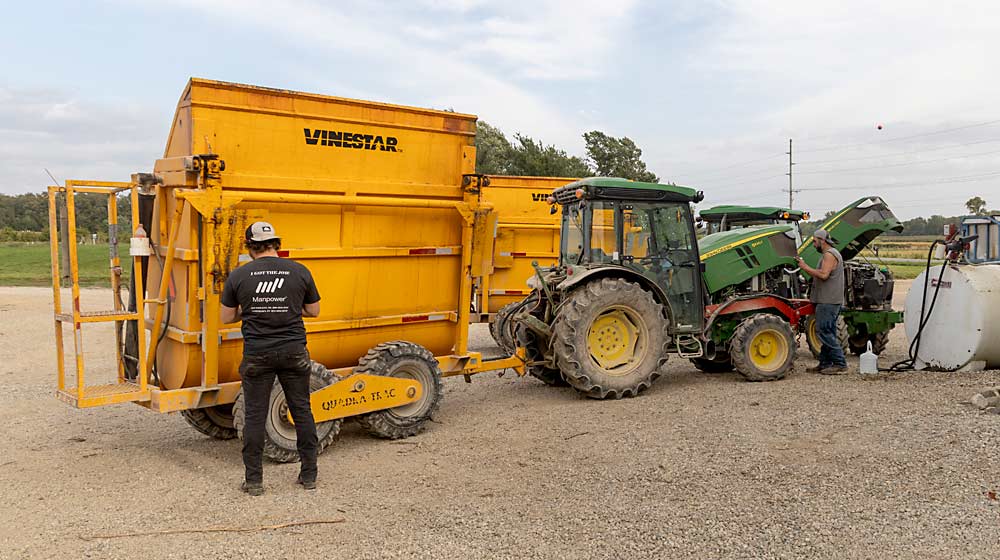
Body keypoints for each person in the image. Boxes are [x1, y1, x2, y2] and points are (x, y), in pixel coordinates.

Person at [221, 221, 321, 496]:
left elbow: (227, 317)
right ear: (276, 244)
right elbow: (314, 311)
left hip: (258, 354)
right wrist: (289, 308)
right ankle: (309, 475)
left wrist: (250, 311)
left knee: (254, 415)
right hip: (293, 351)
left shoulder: (239, 275)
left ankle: (254, 481)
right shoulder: (300, 271)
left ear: (250, 247)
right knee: (301, 409)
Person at [796, 228, 848, 374]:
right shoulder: (830, 254)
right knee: (827, 332)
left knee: (824, 332)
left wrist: (805, 267)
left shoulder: (829, 255)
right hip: (829, 300)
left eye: (814, 241)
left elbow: (824, 275)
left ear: (821, 240)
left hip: (828, 301)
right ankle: (825, 363)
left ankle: (840, 363)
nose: (813, 244)